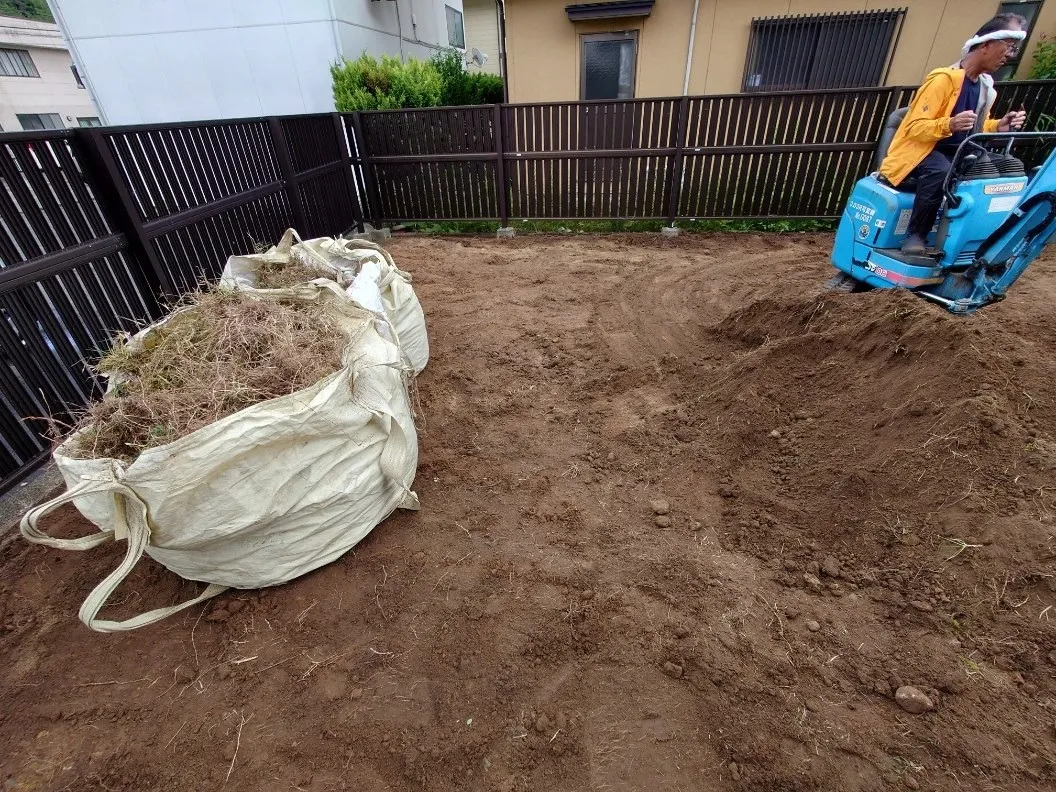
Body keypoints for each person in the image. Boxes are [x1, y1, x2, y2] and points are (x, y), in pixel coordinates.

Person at [879, 14, 1029, 254]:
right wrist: (949, 124)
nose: (1011, 55)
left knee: (1007, 169)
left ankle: (970, 239)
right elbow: (914, 127)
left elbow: (979, 127)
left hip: (960, 152)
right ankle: (915, 236)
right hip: (923, 151)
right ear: (986, 44)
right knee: (940, 170)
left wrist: (998, 126)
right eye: (1009, 46)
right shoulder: (943, 80)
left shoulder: (986, 88)